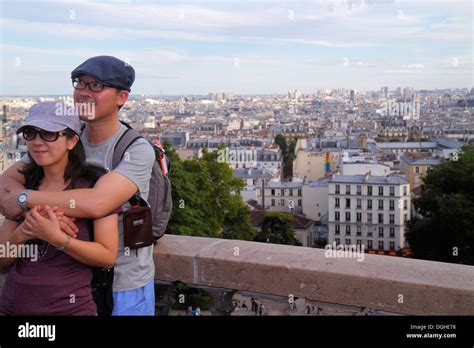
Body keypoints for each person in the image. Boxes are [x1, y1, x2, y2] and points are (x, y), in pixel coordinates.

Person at [0, 56, 156, 315]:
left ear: (122, 98)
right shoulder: (58, 136)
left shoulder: (136, 149)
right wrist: (33, 216)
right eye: (80, 83)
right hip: (68, 284)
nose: (84, 92)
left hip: (124, 280)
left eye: (96, 86)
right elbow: (8, 182)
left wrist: (27, 203)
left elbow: (98, 203)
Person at [0, 102, 119, 315]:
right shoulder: (22, 189)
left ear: (72, 140)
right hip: (13, 306)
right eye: (30, 133)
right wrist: (24, 232)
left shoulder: (93, 186)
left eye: (49, 134)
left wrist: (57, 239)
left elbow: (107, 256)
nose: (37, 142)